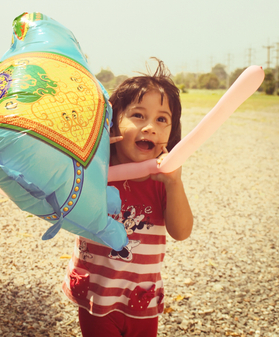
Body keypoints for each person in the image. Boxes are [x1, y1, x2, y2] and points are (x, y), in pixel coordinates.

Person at [62, 58, 193, 337]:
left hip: (141, 297)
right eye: (138, 115)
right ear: (113, 123)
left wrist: (175, 184)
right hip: (97, 294)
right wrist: (91, 163)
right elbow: (67, 207)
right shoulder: (95, 170)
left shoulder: (162, 180)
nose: (150, 127)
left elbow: (181, 232)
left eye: (162, 119)